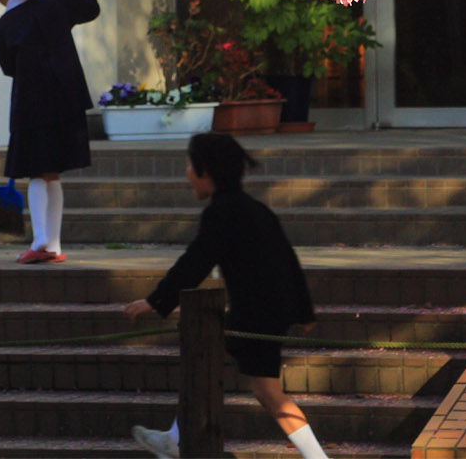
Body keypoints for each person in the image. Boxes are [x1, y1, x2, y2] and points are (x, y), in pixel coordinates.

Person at [121, 133, 327, 459]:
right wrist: (304, 311)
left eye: (190, 164)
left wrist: (156, 300)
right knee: (252, 381)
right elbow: (289, 259)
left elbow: (196, 261)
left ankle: (176, 440)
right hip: (268, 311)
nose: (187, 172)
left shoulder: (222, 212)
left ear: (206, 170)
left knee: (249, 380)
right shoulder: (255, 208)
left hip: (255, 314)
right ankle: (176, 439)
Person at [0, 0, 100, 264]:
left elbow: (7, 65)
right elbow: (91, 8)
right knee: (52, 174)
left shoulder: (8, 22)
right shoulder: (55, 2)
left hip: (32, 104)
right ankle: (53, 245)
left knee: (37, 174)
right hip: (68, 100)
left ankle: (41, 242)